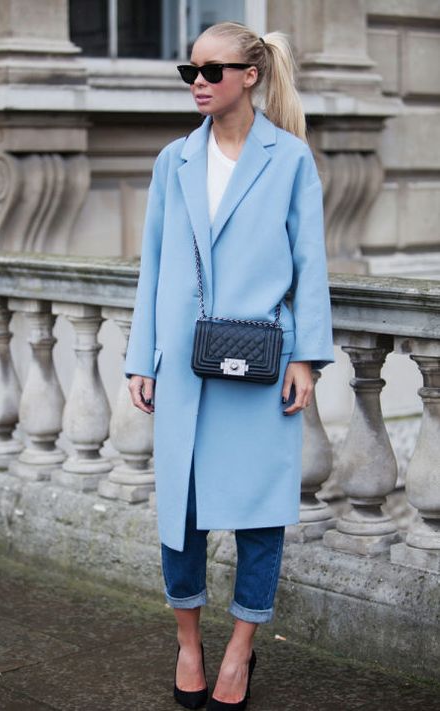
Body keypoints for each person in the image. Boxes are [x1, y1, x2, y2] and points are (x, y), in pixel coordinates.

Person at [125, 21, 334, 711]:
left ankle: (240, 651)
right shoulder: (173, 162)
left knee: (257, 517)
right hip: (184, 367)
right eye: (190, 73)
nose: (199, 84)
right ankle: (189, 643)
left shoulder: (291, 159)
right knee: (179, 517)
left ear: (250, 74)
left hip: (263, 362)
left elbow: (310, 266)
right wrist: (140, 356)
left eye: (212, 71)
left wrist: (307, 356)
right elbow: (152, 265)